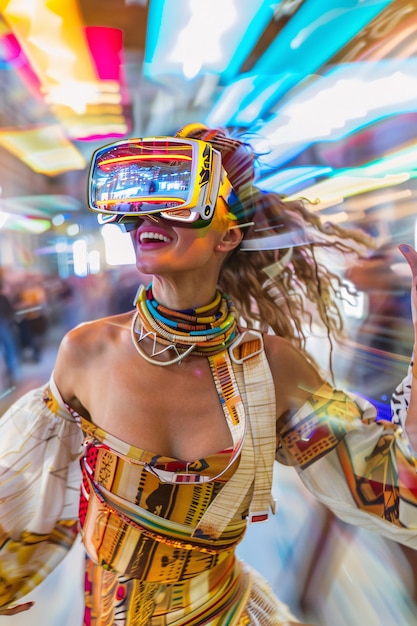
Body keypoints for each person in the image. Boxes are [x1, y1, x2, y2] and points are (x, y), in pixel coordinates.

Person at [1, 123, 417, 626]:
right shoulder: (86, 351)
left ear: (230, 236)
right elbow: (24, 481)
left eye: (176, 201)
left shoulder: (275, 366)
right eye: (141, 201)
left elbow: (395, 490)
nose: (147, 216)